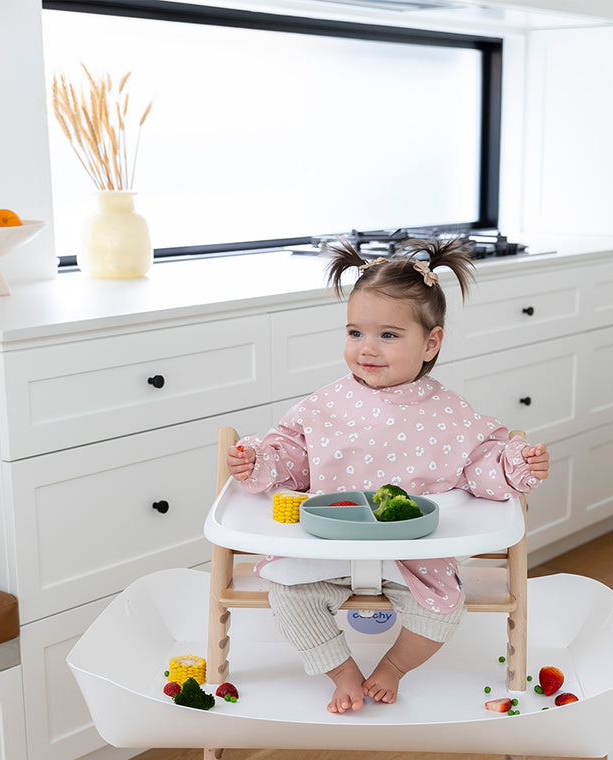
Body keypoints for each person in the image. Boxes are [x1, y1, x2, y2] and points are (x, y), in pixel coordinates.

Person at [227, 237, 550, 714]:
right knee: (287, 596)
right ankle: (342, 671)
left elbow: (480, 463)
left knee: (443, 610)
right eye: (355, 333)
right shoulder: (325, 404)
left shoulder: (448, 412)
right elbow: (292, 457)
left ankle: (393, 668)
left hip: (412, 555)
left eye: (389, 336)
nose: (367, 349)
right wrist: (259, 462)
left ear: (431, 343)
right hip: (328, 546)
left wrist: (515, 464)